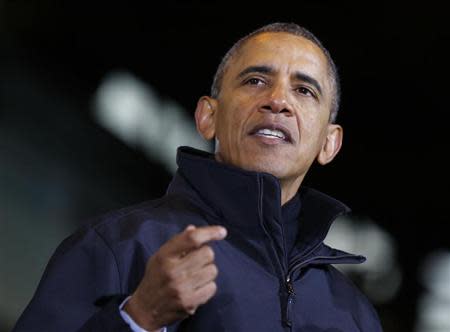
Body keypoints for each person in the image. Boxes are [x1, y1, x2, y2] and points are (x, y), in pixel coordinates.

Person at [13, 22, 383, 331]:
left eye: (304, 90)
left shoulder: (355, 315)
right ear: (208, 117)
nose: (278, 101)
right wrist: (139, 318)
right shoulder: (119, 245)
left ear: (329, 143)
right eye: (255, 80)